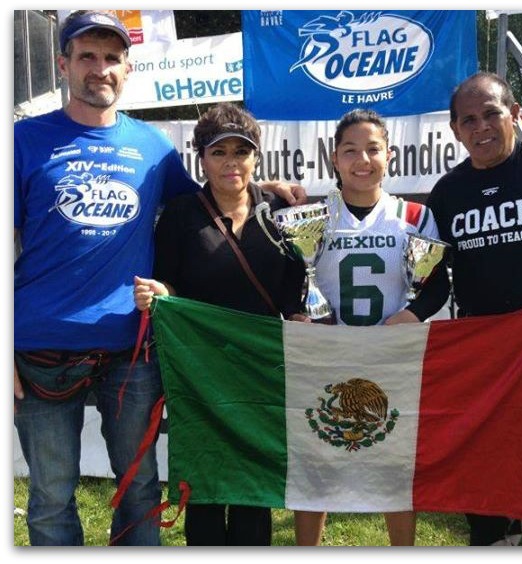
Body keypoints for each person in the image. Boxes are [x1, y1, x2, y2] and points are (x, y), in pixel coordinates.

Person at [13, 10, 305, 546]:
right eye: (87, 56)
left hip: (133, 350)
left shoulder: (154, 149)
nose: (100, 68)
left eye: (112, 58)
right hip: (41, 352)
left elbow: (213, 197)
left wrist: (264, 188)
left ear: (127, 69)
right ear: (63, 64)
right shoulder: (20, 141)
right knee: (52, 497)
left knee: (141, 491)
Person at [391, 72, 522, 546]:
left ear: (515, 115)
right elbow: (433, 277)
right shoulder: (447, 194)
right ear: (455, 130)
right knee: (486, 463)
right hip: (483, 354)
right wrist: (410, 316)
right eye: (469, 120)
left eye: (492, 114)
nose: (482, 127)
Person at [133, 102, 306, 546]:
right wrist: (161, 292)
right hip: (200, 371)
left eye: (241, 151)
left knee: (254, 480)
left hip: (261, 367)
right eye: (219, 152)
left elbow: (295, 283)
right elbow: (169, 280)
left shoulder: (279, 210)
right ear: (202, 159)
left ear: (256, 157)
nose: (232, 162)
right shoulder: (180, 215)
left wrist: (300, 312)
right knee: (205, 480)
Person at [292, 108, 442, 546]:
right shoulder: (313, 218)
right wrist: (301, 315)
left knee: (394, 465)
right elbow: (291, 282)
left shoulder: (413, 216)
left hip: (391, 357)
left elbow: (435, 285)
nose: (363, 160)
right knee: (316, 464)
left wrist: (412, 315)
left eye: (373, 149)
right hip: (326, 358)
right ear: (334, 159)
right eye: (350, 150)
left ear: (389, 155)